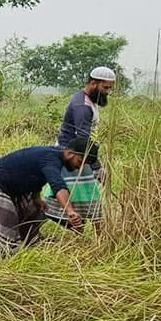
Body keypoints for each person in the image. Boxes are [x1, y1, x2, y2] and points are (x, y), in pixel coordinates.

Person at [0, 138, 101, 254]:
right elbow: (58, 185)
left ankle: (30, 239)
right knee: (8, 216)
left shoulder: (54, 156)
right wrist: (69, 211)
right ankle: (8, 249)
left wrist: (36, 198)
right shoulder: (51, 159)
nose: (80, 167)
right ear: (70, 154)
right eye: (80, 162)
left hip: (16, 188)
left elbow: (33, 176)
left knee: (37, 209)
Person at [44, 66, 116, 229]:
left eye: (110, 88)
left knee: (79, 198)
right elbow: (83, 139)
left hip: (81, 154)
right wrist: (96, 166)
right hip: (75, 156)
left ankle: (81, 234)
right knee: (92, 198)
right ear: (93, 83)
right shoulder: (82, 106)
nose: (108, 92)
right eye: (105, 88)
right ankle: (101, 240)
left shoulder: (88, 100)